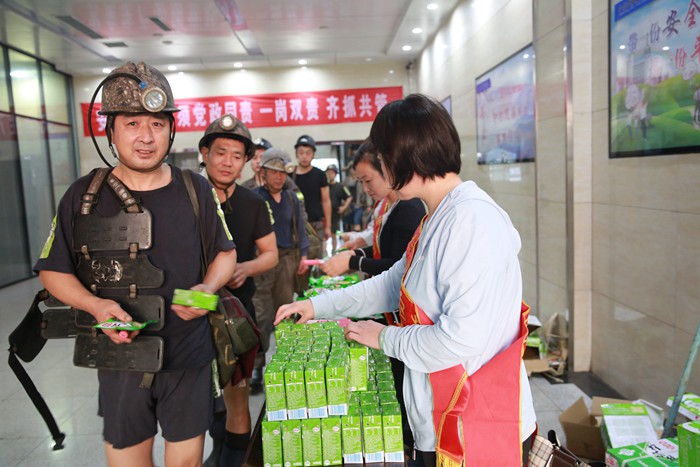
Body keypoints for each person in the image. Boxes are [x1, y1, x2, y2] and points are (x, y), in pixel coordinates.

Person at [276, 94, 536, 466]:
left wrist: (384, 337)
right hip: (444, 414)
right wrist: (317, 305)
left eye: (382, 159)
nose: (381, 170)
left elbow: (461, 338)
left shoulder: (471, 223)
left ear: (404, 155)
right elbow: (391, 284)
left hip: (475, 427)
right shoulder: (437, 217)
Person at [34, 62, 238, 466]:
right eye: (132, 124)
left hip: (189, 353)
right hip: (119, 358)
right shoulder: (83, 195)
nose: (146, 137)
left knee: (186, 462)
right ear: (110, 131)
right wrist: (95, 306)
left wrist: (207, 289)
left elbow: (225, 252)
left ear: (171, 130)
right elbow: (53, 269)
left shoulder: (195, 189)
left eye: (157, 124)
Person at [199, 115, 278, 467]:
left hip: (237, 314)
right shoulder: (185, 197)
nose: (228, 162)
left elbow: (270, 253)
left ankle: (233, 459)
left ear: (246, 161)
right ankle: (216, 450)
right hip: (193, 310)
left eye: (236, 155)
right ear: (205, 153)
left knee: (236, 393)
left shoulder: (253, 203)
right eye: (220, 153)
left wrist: (245, 268)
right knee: (198, 394)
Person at [250, 147, 310, 394]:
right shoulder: (253, 198)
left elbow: (301, 228)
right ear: (263, 172)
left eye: (282, 173)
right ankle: (257, 368)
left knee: (285, 312)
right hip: (261, 263)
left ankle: (286, 364)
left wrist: (303, 255)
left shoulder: (292, 198)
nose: (278, 177)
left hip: (287, 260)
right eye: (273, 172)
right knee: (261, 317)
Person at [321, 142, 425, 278]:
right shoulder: (389, 205)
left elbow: (398, 267)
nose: (365, 189)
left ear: (387, 170)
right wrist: (355, 254)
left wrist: (352, 261)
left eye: (368, 180)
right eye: (361, 182)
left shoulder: (408, 208)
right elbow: (383, 248)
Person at [293, 134, 331, 245]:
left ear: (313, 155)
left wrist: (328, 226)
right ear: (296, 154)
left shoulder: (320, 175)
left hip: (315, 224)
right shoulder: (290, 175)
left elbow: (326, 200)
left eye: (308, 153)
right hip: (295, 224)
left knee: (316, 254)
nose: (304, 156)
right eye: (301, 152)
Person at [325, 163, 352, 252]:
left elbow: (349, 196)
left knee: (335, 233)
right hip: (324, 215)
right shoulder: (324, 186)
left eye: (332, 173)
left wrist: (344, 207)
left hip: (335, 214)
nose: (330, 175)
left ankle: (334, 251)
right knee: (325, 235)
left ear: (335, 174)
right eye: (328, 173)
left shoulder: (340, 186)